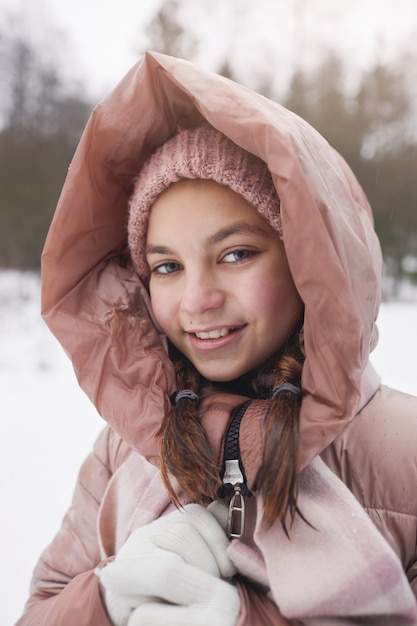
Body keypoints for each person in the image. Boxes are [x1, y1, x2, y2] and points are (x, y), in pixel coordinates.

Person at [15, 51, 417, 626]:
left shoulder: (404, 453)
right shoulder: (124, 449)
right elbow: (42, 606)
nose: (198, 300)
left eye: (236, 254)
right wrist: (105, 602)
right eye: (167, 267)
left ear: (310, 262)